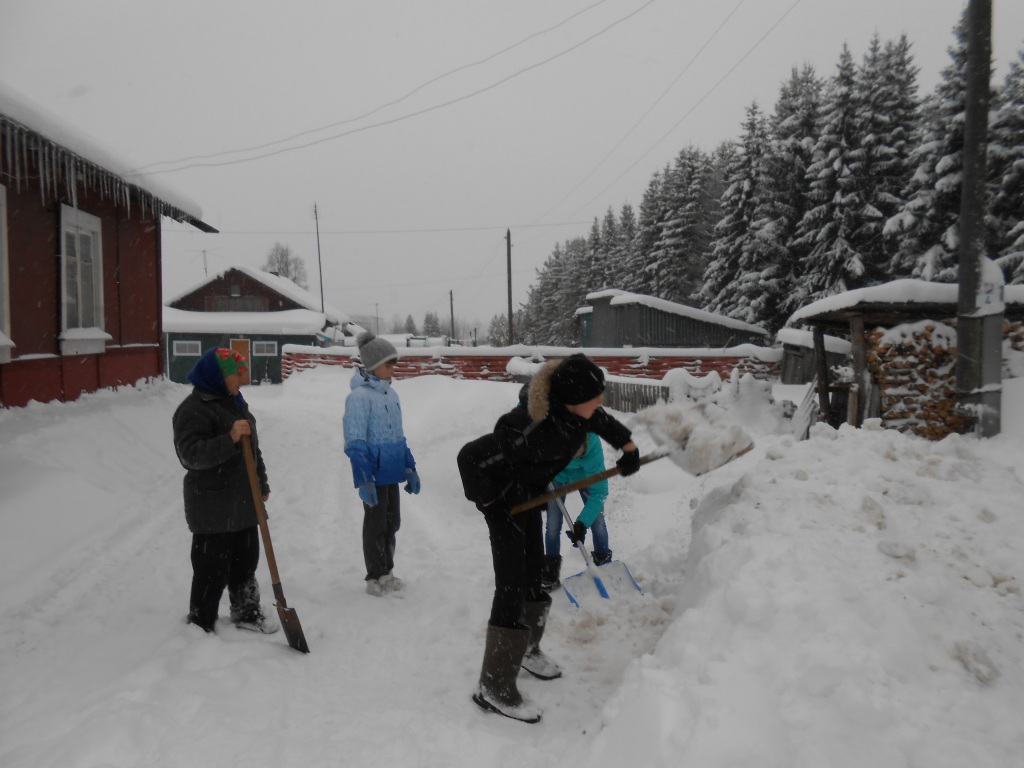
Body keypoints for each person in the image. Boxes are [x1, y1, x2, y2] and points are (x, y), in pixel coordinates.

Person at [457, 354, 640, 723]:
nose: (601, 401)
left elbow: (601, 419)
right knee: (510, 585)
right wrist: (490, 502)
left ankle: (527, 649)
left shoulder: (576, 413)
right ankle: (493, 686)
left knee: (534, 573)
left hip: (527, 497)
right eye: (596, 395)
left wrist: (628, 447)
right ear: (571, 398)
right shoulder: (527, 429)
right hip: (502, 500)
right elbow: (469, 458)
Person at [172, 347, 277, 635]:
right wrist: (229, 438)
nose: (240, 381)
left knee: (246, 561)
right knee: (211, 568)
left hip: (243, 500)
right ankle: (201, 621)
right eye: (235, 375)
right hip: (213, 506)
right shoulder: (194, 408)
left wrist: (262, 482)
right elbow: (190, 455)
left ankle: (246, 611)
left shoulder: (235, 403)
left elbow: (252, 450)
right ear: (218, 376)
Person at [344, 332, 421, 597]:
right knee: (375, 526)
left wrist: (409, 467)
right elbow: (355, 441)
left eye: (393, 365)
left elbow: (398, 437)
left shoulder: (391, 395)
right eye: (388, 364)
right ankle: (374, 577)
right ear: (372, 365)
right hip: (374, 476)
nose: (392, 370)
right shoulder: (359, 398)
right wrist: (364, 478)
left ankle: (387, 572)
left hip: (391, 473)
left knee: (391, 524)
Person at [542, 431, 612, 592]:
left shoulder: (594, 451)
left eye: (576, 453)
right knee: (553, 524)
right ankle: (550, 573)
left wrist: (582, 524)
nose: (571, 457)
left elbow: (599, 493)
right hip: (557, 475)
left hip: (586, 476)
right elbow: (530, 410)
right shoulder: (554, 436)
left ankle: (603, 563)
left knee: (597, 521)